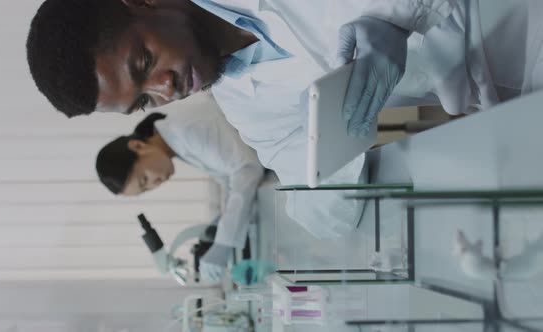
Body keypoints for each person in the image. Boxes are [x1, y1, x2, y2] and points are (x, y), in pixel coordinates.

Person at [27, 0, 543, 185]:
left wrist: (409, 12)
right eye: (144, 101)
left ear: (143, 1)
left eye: (144, 63)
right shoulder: (248, 109)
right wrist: (332, 139)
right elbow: (315, 195)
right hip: (513, 109)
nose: (165, 89)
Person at [95, 93, 264, 282]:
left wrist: (224, 243)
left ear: (137, 146)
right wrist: (224, 219)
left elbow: (247, 169)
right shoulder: (175, 142)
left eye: (144, 179)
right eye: (146, 189)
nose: (154, 185)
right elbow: (228, 178)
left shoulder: (187, 131)